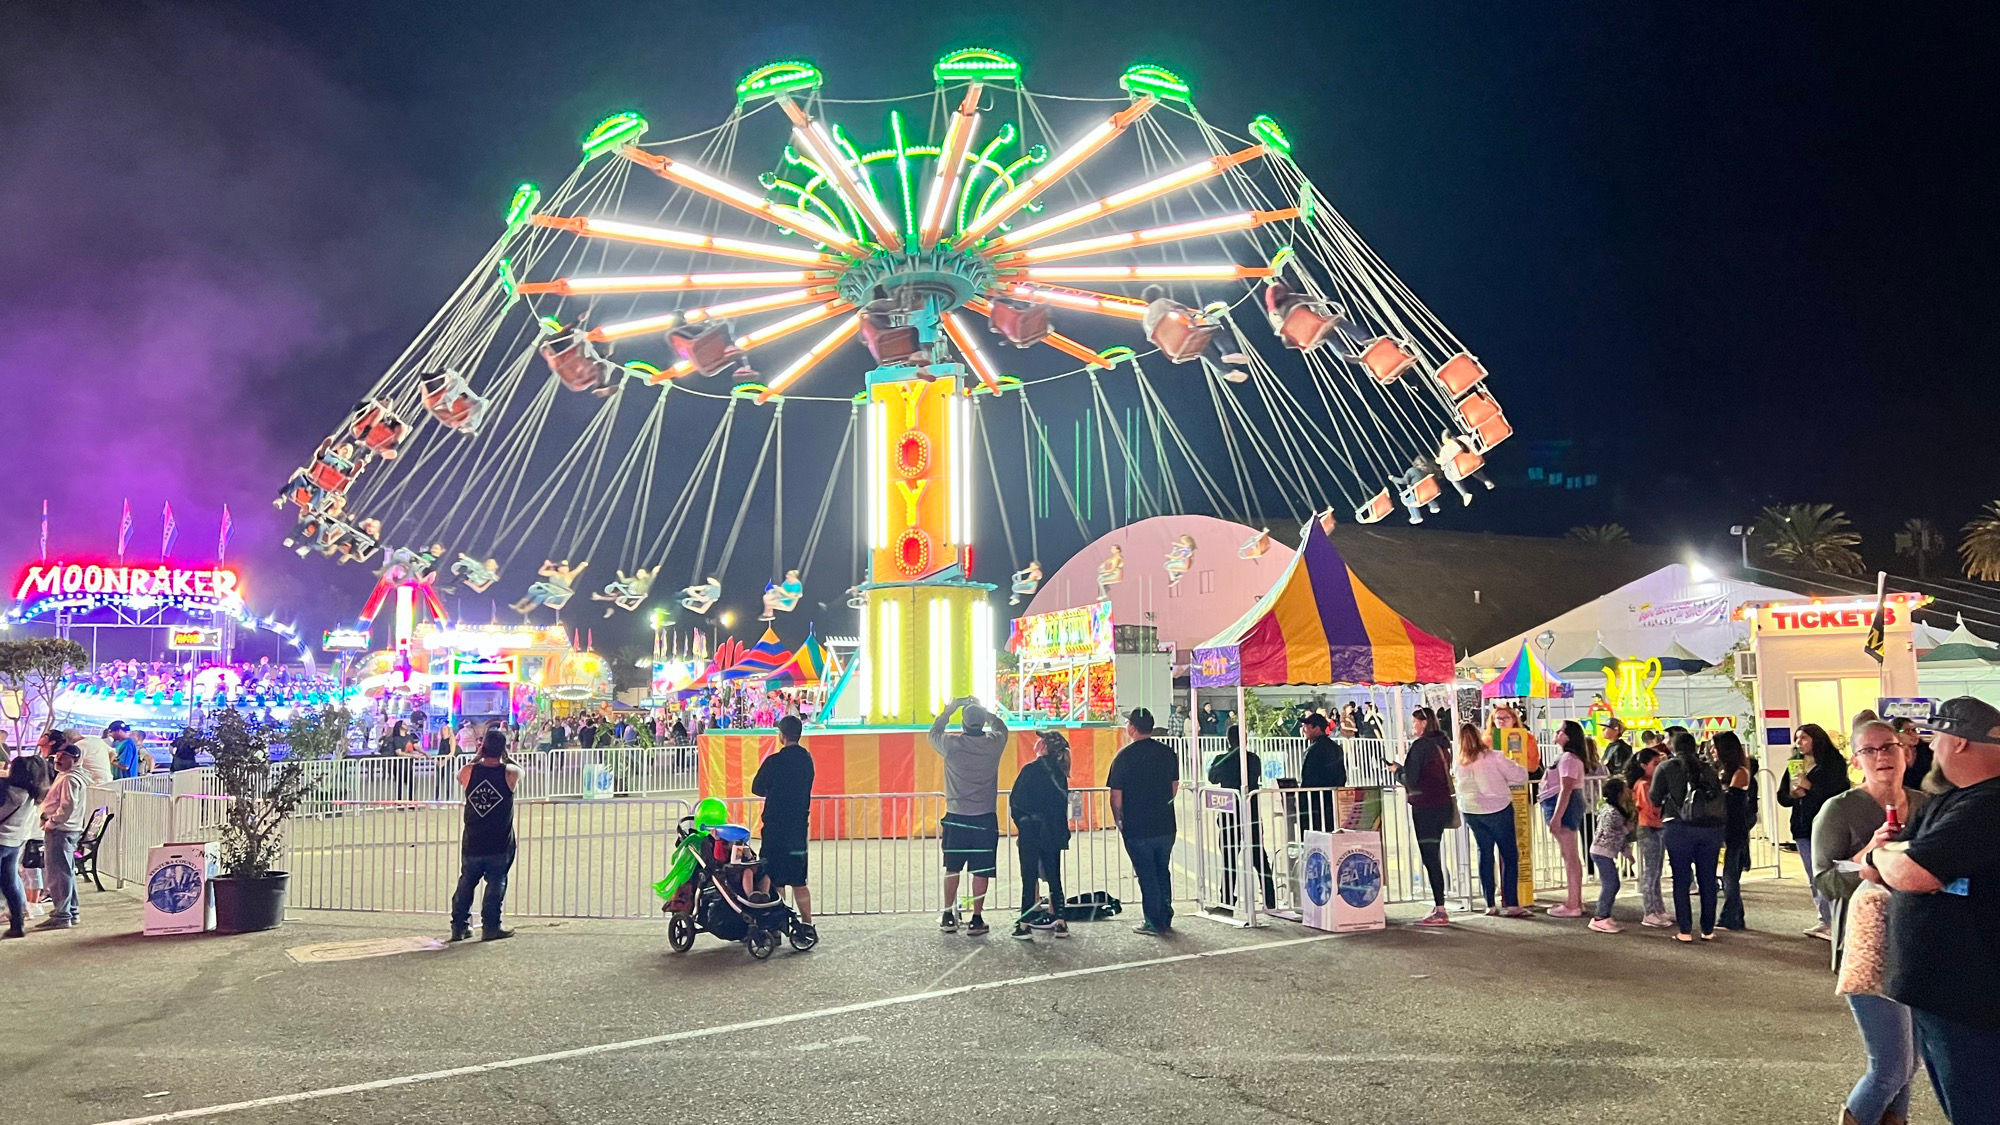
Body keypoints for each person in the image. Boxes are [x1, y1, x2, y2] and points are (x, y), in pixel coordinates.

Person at [1855, 697, 2000, 1123]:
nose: (1928, 748)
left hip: (1972, 997)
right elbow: (1874, 867)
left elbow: (1915, 871)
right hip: (1943, 993)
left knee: (1979, 1107)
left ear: (1958, 742)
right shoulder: (1949, 801)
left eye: (1935, 738)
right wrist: (1886, 858)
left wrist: (1888, 858)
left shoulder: (1987, 805)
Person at [1812, 720, 1927, 1125]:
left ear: (1906, 753)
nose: (1882, 757)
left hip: (1920, 942)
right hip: (1868, 944)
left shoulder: (1927, 803)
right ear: (1856, 759)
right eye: (1871, 750)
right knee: (1891, 1065)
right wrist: (1871, 855)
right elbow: (1824, 879)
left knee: (1910, 1064)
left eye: (1889, 747)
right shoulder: (1839, 809)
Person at [928, 696, 1010, 936]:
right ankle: (976, 918)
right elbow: (1002, 728)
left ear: (963, 724)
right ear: (983, 723)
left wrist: (949, 710)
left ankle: (947, 914)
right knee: (981, 870)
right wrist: (985, 711)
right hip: (985, 816)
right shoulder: (994, 744)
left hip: (956, 815)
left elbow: (934, 732)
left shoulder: (951, 745)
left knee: (952, 867)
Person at [1108, 707, 1179, 935]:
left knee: (1146, 874)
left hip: (1137, 826)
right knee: (1162, 870)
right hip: (1165, 825)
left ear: (1132, 727)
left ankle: (1153, 921)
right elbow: (1174, 788)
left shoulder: (1124, 756)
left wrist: (1120, 821)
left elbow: (1116, 796)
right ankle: (1165, 916)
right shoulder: (1168, 753)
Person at [1778, 722, 1851, 939]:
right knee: (1813, 876)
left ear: (1815, 740)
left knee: (1828, 874)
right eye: (1796, 739)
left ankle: (1839, 920)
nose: (1798, 743)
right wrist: (1792, 794)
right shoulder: (1795, 763)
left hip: (1826, 826)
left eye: (1803, 738)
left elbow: (1837, 793)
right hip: (1802, 826)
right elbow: (1782, 795)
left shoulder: (1833, 763)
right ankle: (1825, 919)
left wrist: (1809, 786)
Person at [1453, 722, 1531, 917]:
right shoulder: (1494, 757)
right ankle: (1512, 903)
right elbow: (1519, 775)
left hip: (1471, 811)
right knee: (1509, 855)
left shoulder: (1460, 762)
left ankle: (1490, 903)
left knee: (1484, 853)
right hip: (1498, 808)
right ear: (1480, 736)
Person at [449, 729, 521, 942]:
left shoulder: (468, 771)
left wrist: (478, 756)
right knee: (496, 883)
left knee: (466, 882)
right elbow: (518, 769)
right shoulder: (510, 774)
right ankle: (491, 926)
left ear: (482, 747)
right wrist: (504, 756)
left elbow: (461, 776)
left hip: (473, 838)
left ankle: (459, 926)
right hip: (499, 840)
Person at [1653, 731, 1725, 942]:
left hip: (1678, 827)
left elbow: (1655, 797)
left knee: (1681, 879)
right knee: (1708, 878)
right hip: (1709, 828)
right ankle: (1708, 929)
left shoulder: (1666, 767)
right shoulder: (1708, 768)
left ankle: (1685, 930)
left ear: (1673, 748)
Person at [752, 715, 816, 940]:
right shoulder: (807, 760)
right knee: (799, 879)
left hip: (775, 827)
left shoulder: (774, 761)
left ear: (782, 735)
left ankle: (777, 927)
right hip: (798, 828)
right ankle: (807, 925)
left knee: (774, 877)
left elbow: (757, 788)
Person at [1009, 729, 1072, 938]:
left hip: (1031, 832)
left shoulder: (1030, 771)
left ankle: (1025, 923)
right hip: (1053, 832)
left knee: (1029, 877)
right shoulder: (1061, 774)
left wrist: (1022, 824)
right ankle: (1060, 920)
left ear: (1043, 747)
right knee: (1054, 876)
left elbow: (1016, 802)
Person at [1396, 707, 1454, 926]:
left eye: (1415, 723)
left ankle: (1440, 908)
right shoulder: (1442, 745)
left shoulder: (1421, 746)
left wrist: (1397, 771)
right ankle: (1440, 904)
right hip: (1441, 804)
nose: (1414, 727)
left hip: (1425, 806)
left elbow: (1410, 778)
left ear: (1423, 723)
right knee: (1434, 853)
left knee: (1430, 855)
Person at [1208, 725, 1276, 913]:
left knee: (1229, 858)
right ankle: (1270, 899)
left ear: (1228, 740)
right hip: (1251, 812)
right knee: (1258, 855)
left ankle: (1227, 900)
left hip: (1230, 813)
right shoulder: (1253, 759)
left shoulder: (1222, 760)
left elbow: (1212, 777)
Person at [1540, 720, 1590, 918]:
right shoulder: (1567, 757)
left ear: (1568, 736)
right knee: (1569, 854)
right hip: (1560, 804)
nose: (1557, 733)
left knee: (1569, 855)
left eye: (1560, 730)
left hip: (1563, 806)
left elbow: (1566, 788)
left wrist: (1557, 817)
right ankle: (1574, 900)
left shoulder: (1569, 758)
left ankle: (1573, 903)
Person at [37, 742, 88, 930]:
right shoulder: (69, 776)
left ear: (74, 759)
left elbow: (67, 806)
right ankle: (70, 912)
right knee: (65, 872)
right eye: (57, 755)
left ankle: (62, 914)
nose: (58, 759)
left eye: (63, 756)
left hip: (61, 831)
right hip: (65, 829)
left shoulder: (69, 779)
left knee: (58, 874)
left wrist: (51, 823)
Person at [1, 756, 50, 938]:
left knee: (9, 881)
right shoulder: (35, 793)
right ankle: (17, 923)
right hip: (16, 841)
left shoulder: (6, 790)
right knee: (11, 881)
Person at [1712, 730, 1757, 931]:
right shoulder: (1724, 771)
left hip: (1735, 828)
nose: (1713, 751)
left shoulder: (1740, 772)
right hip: (1726, 826)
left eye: (1716, 747)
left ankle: (1730, 916)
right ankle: (1735, 916)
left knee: (1730, 876)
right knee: (1728, 874)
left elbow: (1731, 800)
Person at [1627, 747, 1670, 927]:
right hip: (1649, 828)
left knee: (1656, 871)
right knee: (1651, 872)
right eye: (1655, 763)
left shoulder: (1652, 782)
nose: (1658, 766)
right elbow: (1648, 808)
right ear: (1644, 766)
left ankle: (1658, 909)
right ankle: (1649, 911)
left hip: (1656, 827)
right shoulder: (1644, 785)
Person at [1587, 778, 1635, 933]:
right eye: (1625, 789)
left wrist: (1628, 854)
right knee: (1611, 884)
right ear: (1619, 793)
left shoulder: (1615, 810)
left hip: (1604, 852)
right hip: (1602, 852)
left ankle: (1604, 914)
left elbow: (1620, 838)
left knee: (1612, 883)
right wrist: (1626, 830)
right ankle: (1600, 917)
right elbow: (1612, 831)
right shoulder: (1611, 812)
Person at [1297, 712, 1347, 830]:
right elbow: (1342, 776)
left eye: (1306, 726)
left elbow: (1308, 778)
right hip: (1332, 801)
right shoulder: (1336, 748)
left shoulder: (1313, 750)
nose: (1304, 729)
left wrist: (1302, 799)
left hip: (1315, 803)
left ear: (1316, 728)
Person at [1889, 717, 1936, 793]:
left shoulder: (1928, 750)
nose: (1913, 734)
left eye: (1914, 730)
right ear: (1896, 734)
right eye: (1907, 731)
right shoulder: (1889, 754)